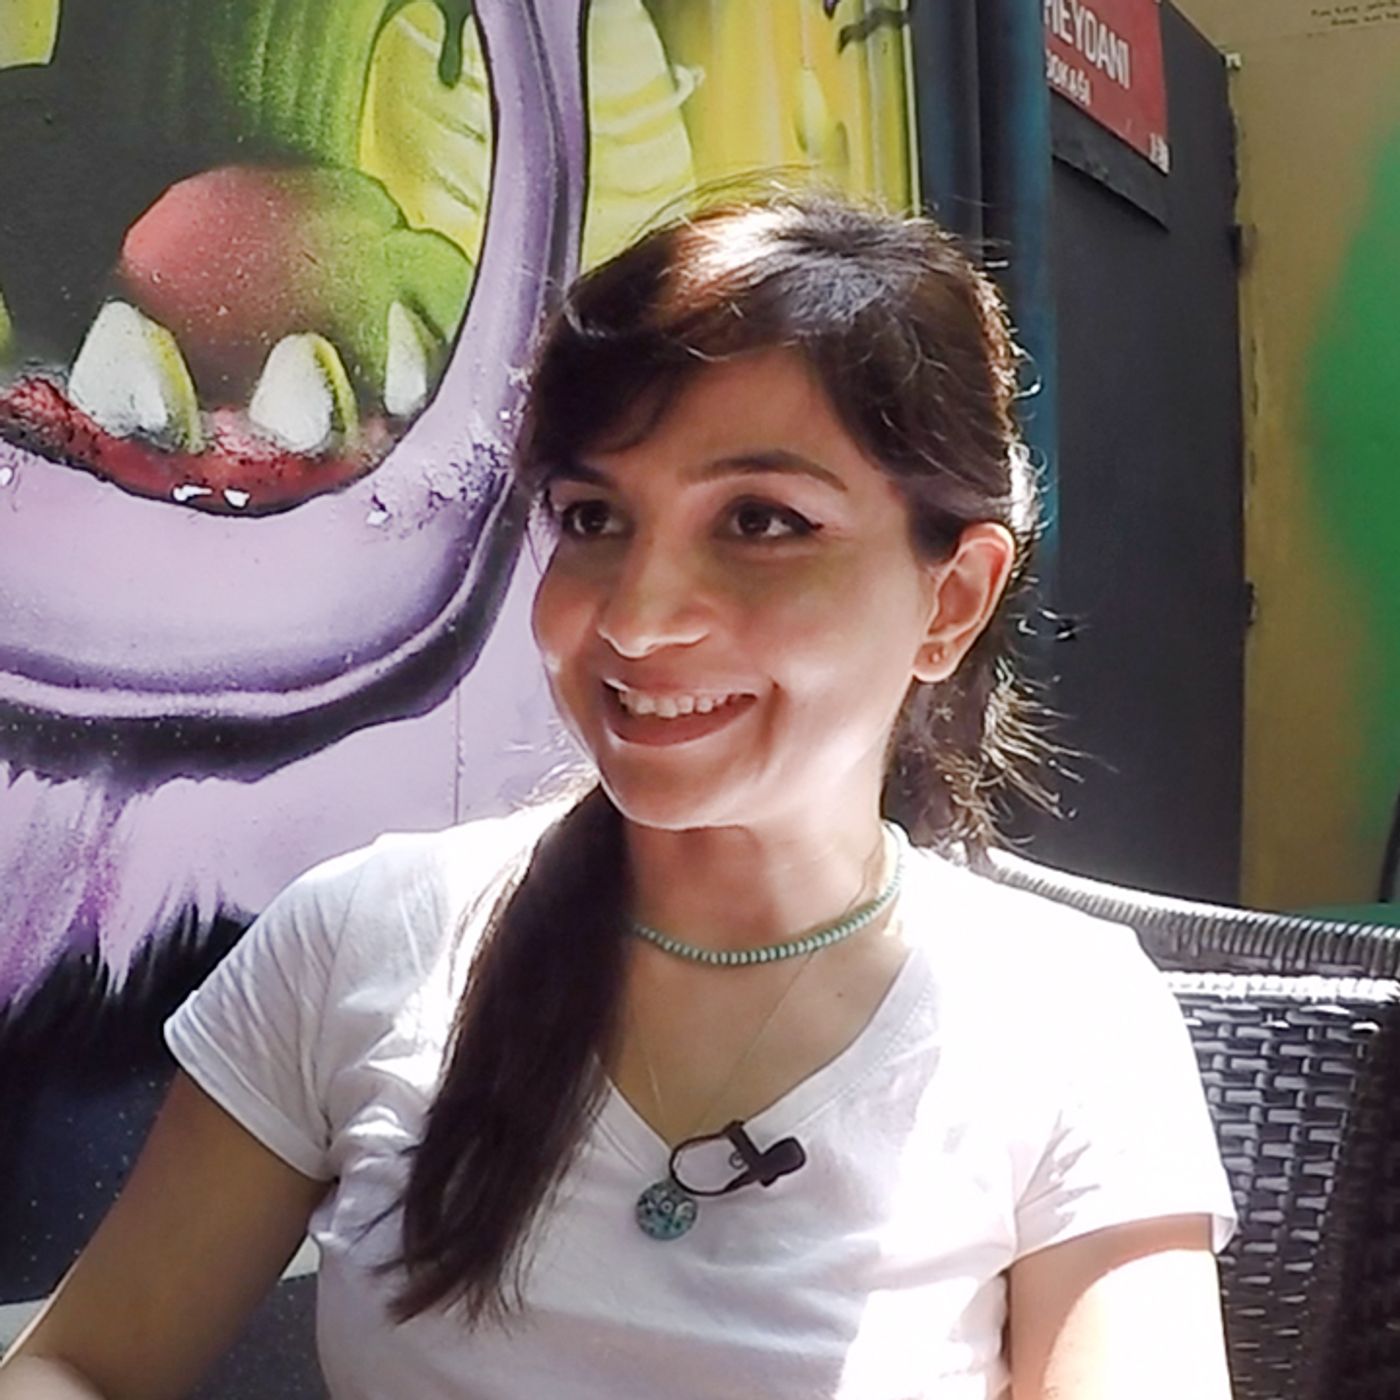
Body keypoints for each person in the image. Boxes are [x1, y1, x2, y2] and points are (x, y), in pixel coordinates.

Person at [0, 194, 1237, 1399]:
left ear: (950, 600)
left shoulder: (1065, 1018)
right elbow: (82, 1360)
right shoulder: (359, 940)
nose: (638, 619)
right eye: (593, 516)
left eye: (760, 520)